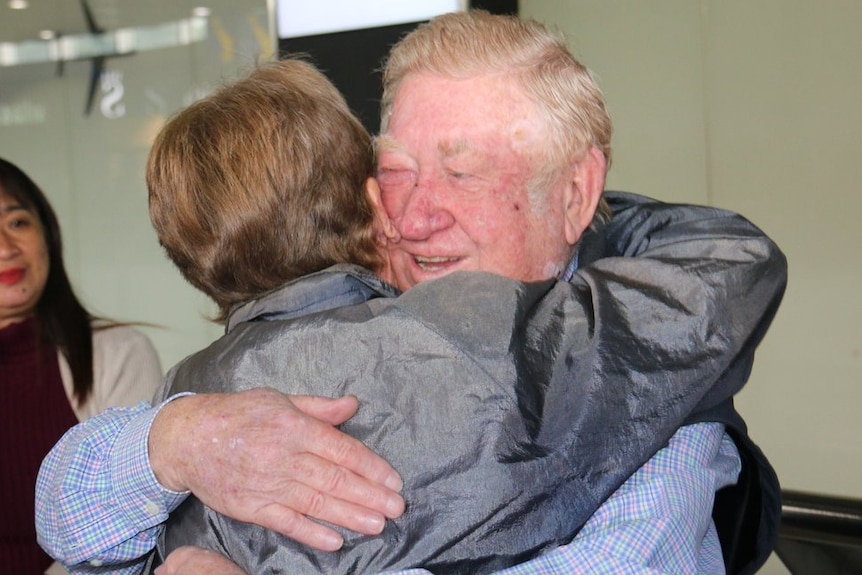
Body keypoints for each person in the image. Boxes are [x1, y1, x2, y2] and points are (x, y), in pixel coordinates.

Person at [36, 10, 785, 575]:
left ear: (575, 194)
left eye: (463, 173)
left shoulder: (654, 403)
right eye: (395, 171)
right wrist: (174, 441)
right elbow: (62, 508)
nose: (415, 214)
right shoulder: (333, 325)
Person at [0, 157, 163, 575]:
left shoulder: (120, 354)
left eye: (18, 222)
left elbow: (135, 521)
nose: (5, 247)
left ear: (47, 236)